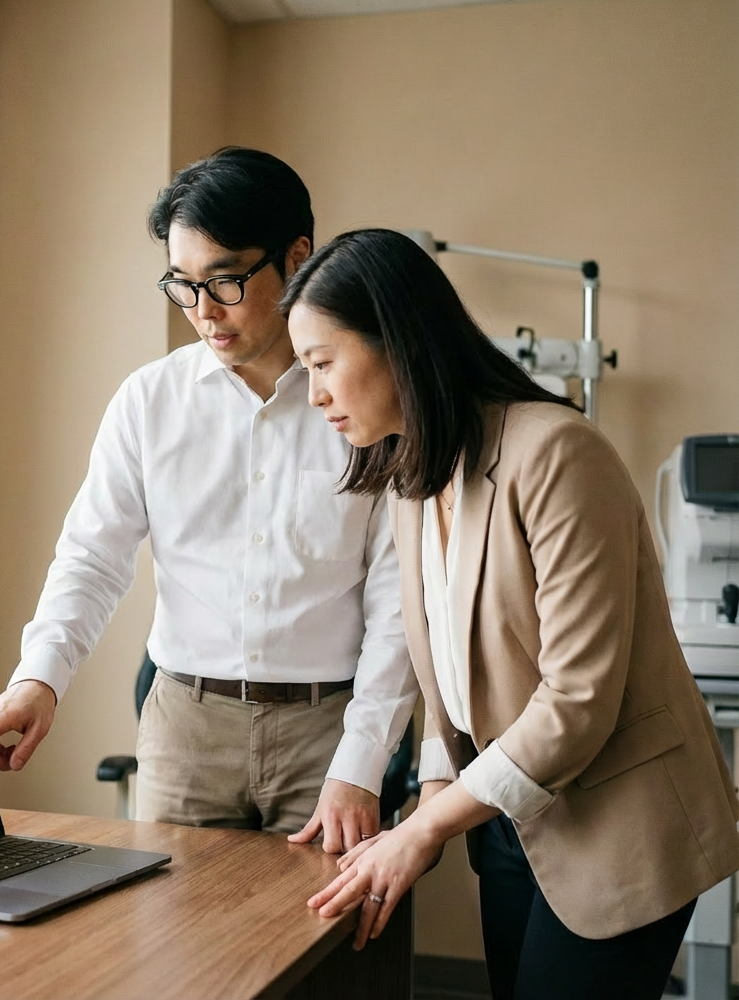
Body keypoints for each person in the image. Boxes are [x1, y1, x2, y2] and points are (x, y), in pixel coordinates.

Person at [281, 228, 739, 999]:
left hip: (620, 822)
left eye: (323, 365)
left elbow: (577, 700)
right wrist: (433, 799)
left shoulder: (556, 453)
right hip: (509, 820)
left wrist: (426, 828)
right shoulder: (412, 478)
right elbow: (452, 680)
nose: (315, 393)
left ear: (397, 341)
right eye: (305, 372)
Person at [0, 150, 418, 850]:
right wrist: (38, 678)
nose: (203, 312)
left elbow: (397, 600)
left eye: (225, 281)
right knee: (171, 949)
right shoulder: (149, 400)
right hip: (185, 728)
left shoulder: (361, 401)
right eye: (183, 284)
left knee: (333, 948)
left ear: (297, 256)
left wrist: (361, 761)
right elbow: (92, 557)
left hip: (332, 726)